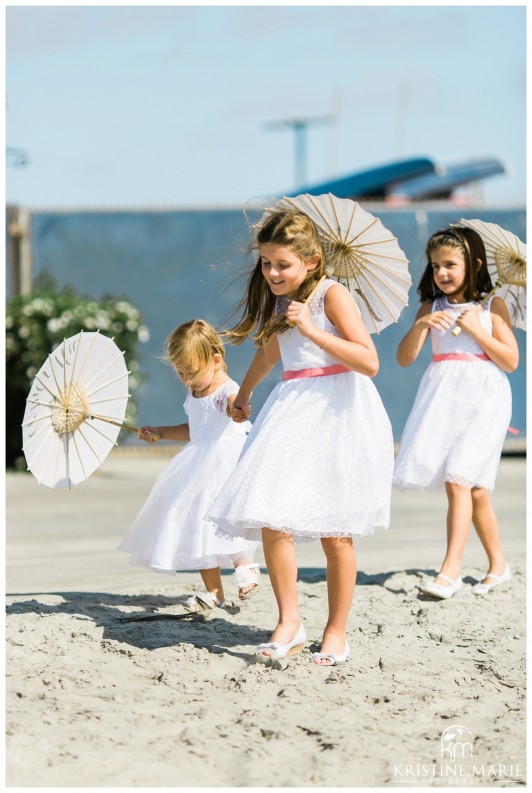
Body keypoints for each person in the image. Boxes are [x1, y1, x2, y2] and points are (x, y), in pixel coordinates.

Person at [208, 208, 394, 665]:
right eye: (267, 263)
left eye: (282, 264)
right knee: (273, 516)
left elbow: (368, 362)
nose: (272, 272)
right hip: (292, 408)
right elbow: (272, 352)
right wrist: (245, 392)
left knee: (336, 529)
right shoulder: (278, 302)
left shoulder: (333, 296)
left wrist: (312, 328)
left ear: (311, 261)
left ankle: (336, 630)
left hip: (339, 411)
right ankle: (289, 620)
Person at [393, 226, 519, 599]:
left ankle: (450, 571)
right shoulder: (431, 307)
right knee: (476, 489)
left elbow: (510, 360)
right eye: (435, 266)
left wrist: (477, 331)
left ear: (474, 264)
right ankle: (499, 565)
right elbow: (404, 359)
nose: (441, 273)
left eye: (450, 264)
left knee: (457, 478)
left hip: (485, 397)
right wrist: (421, 325)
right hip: (444, 400)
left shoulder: (491, 305)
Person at [118, 319, 261, 612]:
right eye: (181, 373)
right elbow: (194, 430)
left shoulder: (224, 388)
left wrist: (238, 408)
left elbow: (233, 403)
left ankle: (245, 564)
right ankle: (214, 592)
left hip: (226, 465)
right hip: (198, 466)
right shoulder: (194, 393)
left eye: (192, 372)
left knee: (226, 516)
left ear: (216, 360)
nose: (186, 379)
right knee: (196, 524)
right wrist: (161, 432)